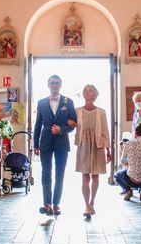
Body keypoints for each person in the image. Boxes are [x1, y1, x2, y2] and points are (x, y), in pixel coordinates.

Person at [33, 75, 77, 216]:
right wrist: (35, 144)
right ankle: (47, 204)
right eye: (52, 83)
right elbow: (38, 124)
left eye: (57, 83)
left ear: (60, 85)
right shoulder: (41, 103)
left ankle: (56, 203)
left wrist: (62, 129)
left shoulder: (68, 102)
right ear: (48, 85)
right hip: (45, 142)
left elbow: (73, 123)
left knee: (60, 174)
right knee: (46, 173)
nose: (54, 85)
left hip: (62, 142)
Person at [72, 84, 111, 219]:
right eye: (86, 90)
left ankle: (92, 202)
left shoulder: (101, 112)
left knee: (95, 176)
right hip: (83, 145)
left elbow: (105, 130)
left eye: (91, 90)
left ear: (95, 94)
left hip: (97, 145)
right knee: (84, 176)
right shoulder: (77, 111)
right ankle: (86, 206)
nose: (88, 93)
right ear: (83, 94)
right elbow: (70, 124)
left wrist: (108, 149)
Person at [114, 123, 141, 201]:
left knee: (116, 175)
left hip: (133, 179)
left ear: (135, 133)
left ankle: (128, 191)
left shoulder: (129, 144)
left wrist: (129, 161)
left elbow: (123, 161)